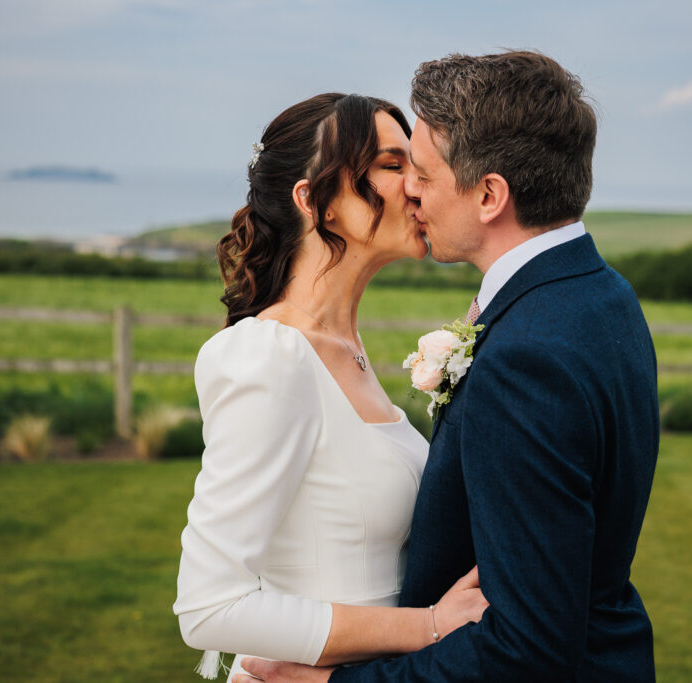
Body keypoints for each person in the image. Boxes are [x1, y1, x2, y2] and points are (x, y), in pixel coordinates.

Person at [239, 51, 660, 682]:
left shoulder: (525, 359)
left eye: (424, 173)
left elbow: (528, 649)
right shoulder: (602, 295)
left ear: (490, 194)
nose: (407, 188)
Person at [173, 93, 488, 682]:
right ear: (315, 199)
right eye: (394, 166)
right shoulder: (267, 356)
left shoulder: (349, 351)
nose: (417, 187)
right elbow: (209, 605)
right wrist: (428, 627)